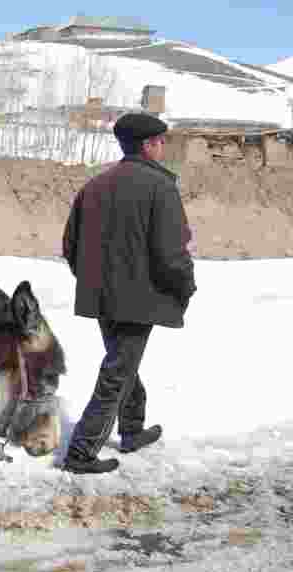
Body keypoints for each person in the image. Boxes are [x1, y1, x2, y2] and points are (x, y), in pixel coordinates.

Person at [60, 112, 197, 475]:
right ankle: (81, 450)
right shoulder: (160, 187)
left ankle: (132, 429)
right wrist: (186, 286)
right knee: (118, 371)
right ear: (149, 145)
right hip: (140, 299)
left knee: (122, 362)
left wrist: (92, 280)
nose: (163, 147)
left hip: (102, 296)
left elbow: (70, 246)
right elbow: (172, 253)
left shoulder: (94, 186)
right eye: (161, 142)